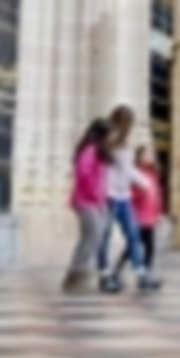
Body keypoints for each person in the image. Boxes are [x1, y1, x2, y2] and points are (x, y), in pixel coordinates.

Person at [97, 105, 161, 293]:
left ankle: (141, 273)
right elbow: (122, 171)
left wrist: (144, 183)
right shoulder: (106, 144)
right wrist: (144, 183)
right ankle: (105, 274)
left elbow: (127, 170)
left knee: (133, 234)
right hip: (109, 195)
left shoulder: (124, 145)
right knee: (105, 236)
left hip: (123, 196)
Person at [62, 118, 110, 293]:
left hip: (95, 201)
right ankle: (76, 275)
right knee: (92, 236)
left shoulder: (97, 151)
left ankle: (77, 274)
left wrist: (101, 199)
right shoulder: (90, 151)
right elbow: (85, 176)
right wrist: (96, 197)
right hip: (86, 201)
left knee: (92, 237)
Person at [114, 145, 163, 277]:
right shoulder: (136, 173)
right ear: (139, 157)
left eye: (152, 154)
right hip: (139, 216)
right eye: (147, 154)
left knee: (149, 247)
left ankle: (146, 271)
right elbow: (131, 194)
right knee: (132, 246)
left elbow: (157, 195)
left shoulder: (153, 174)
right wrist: (140, 193)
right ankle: (118, 270)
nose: (151, 157)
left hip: (150, 217)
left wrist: (158, 213)